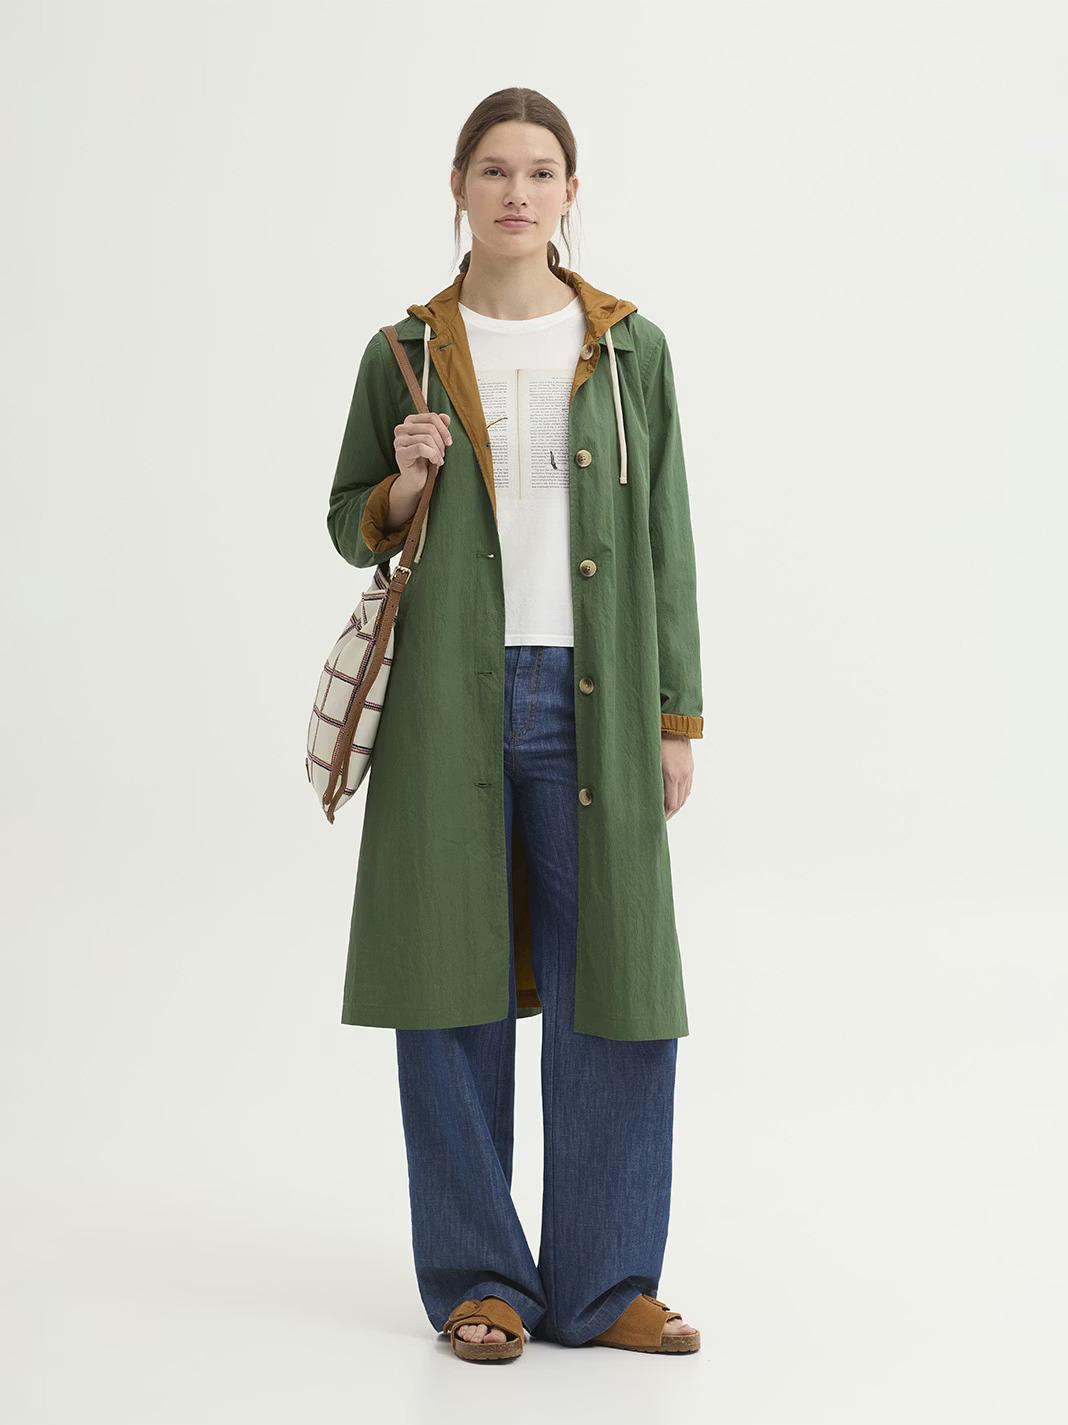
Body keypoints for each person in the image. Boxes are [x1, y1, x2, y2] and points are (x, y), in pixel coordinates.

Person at [325, 87, 704, 1362]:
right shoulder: (404, 350)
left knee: (620, 984)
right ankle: (482, 1282)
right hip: (448, 698)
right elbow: (348, 523)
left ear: (570, 193)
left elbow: (668, 538)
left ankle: (606, 1284)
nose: (517, 192)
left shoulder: (631, 349)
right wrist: (402, 484)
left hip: (596, 698)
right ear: (459, 186)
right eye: (494, 169)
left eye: (541, 171)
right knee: (448, 985)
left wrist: (675, 715)